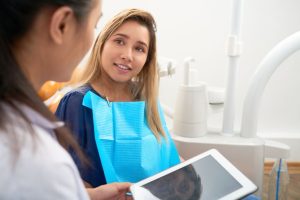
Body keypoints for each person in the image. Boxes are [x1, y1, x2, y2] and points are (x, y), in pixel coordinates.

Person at [0, 0, 131, 199]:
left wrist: (87, 196)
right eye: (95, 24)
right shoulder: (41, 164)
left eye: (140, 48)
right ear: (62, 24)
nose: (127, 56)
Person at [55, 8, 180, 188]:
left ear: (147, 59)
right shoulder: (77, 102)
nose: (127, 55)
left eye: (139, 48)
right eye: (119, 41)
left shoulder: (147, 101)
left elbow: (168, 158)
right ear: (102, 43)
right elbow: (64, 178)